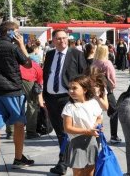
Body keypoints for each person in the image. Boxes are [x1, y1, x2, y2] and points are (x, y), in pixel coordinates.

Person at [43, 29, 87, 175]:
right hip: (50, 98)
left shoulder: (76, 54)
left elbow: (84, 75)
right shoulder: (49, 54)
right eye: (59, 39)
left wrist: (82, 96)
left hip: (67, 98)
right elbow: (46, 73)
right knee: (59, 131)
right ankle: (65, 158)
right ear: (53, 40)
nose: (62, 41)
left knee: (66, 131)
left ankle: (63, 162)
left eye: (64, 38)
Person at [0, 21, 35, 171]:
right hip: (13, 92)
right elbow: (28, 64)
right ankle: (18, 158)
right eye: (17, 32)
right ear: (11, 33)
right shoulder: (13, 48)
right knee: (19, 124)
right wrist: (22, 46)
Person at [62, 75, 104, 176]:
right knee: (78, 172)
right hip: (77, 143)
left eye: (74, 88)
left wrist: (97, 125)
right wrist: (87, 131)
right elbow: (67, 128)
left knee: (90, 171)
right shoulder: (69, 106)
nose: (71, 91)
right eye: (70, 88)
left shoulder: (93, 103)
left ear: (85, 89)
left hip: (92, 142)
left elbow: (100, 117)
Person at [91, 45, 121, 144]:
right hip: (105, 90)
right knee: (114, 111)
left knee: (97, 112)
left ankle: (96, 133)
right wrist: (112, 87)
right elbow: (112, 78)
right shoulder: (107, 63)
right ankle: (113, 135)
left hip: (95, 89)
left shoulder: (94, 62)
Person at [19, 56, 44, 139]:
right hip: (29, 80)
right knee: (32, 105)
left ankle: (11, 132)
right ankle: (31, 132)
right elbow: (39, 88)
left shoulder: (19, 63)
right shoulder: (37, 66)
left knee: (16, 104)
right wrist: (41, 104)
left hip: (16, 79)